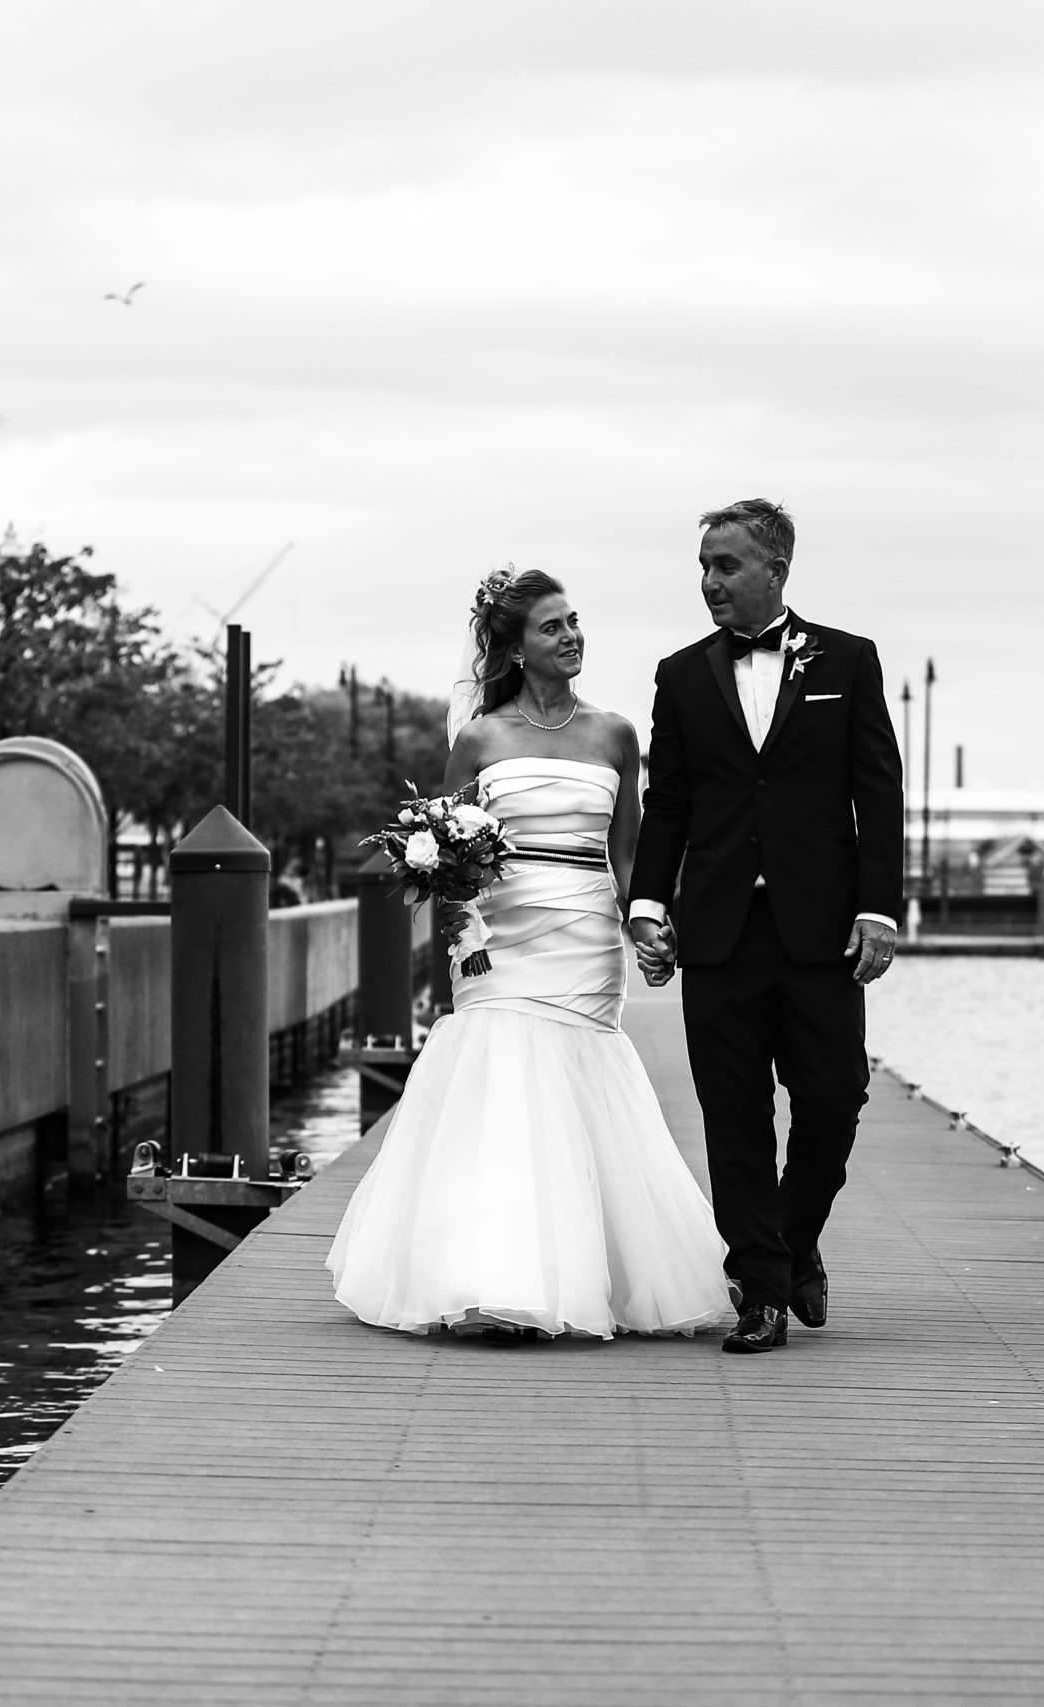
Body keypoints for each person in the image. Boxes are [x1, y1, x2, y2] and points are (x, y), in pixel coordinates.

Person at [326, 568, 736, 1341]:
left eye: (575, 620)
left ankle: (585, 1275)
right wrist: (462, 937)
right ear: (515, 647)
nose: (572, 635)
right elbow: (444, 856)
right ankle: (498, 1275)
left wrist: (646, 923)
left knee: (576, 1090)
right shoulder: (481, 738)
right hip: (501, 936)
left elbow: (627, 854)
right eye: (553, 626)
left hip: (584, 935)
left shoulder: (615, 734)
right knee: (506, 1087)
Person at [627, 500, 906, 1354]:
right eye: (704, 565)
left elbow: (878, 791)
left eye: (726, 564)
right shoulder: (679, 676)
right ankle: (760, 1289)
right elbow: (666, 802)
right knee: (733, 1113)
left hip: (821, 928)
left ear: (775, 569)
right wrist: (646, 906)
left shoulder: (848, 661)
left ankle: (790, 1236)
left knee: (833, 1097)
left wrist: (878, 906)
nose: (709, 581)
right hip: (717, 930)